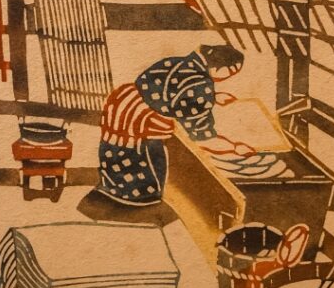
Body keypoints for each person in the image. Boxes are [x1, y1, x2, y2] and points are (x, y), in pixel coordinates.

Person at [92, 43, 254, 206]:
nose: (230, 76)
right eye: (232, 71)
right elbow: (203, 136)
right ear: (221, 67)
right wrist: (234, 148)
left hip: (123, 106)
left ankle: (110, 185)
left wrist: (213, 97)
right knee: (147, 163)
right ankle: (133, 196)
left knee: (117, 151)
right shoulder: (202, 87)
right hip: (142, 123)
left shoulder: (177, 62)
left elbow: (170, 90)